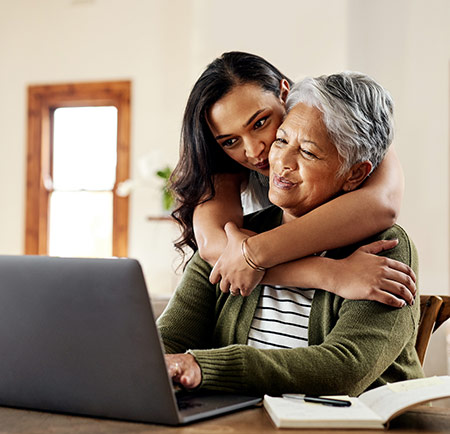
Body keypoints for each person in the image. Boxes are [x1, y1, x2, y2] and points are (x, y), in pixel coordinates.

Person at [158, 72, 424, 397]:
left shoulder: (387, 247)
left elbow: (344, 370)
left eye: (309, 153)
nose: (279, 162)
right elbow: (166, 340)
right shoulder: (237, 239)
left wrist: (204, 367)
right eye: (281, 141)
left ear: (355, 174)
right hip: (245, 430)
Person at [170, 52, 413, 307]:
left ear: (283, 93)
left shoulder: (345, 123)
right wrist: (329, 274)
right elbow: (215, 247)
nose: (254, 151)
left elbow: (381, 204)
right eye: (231, 141)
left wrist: (254, 254)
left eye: (260, 123)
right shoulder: (224, 165)